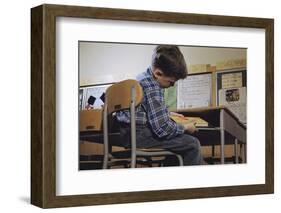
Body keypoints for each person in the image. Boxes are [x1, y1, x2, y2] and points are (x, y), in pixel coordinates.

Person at [116, 45, 204, 166]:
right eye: (171, 82)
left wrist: (167, 113)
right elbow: (162, 129)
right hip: (140, 136)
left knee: (177, 142)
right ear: (158, 73)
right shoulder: (153, 87)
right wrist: (185, 127)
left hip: (126, 134)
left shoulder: (141, 78)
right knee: (192, 144)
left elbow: (145, 110)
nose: (172, 86)